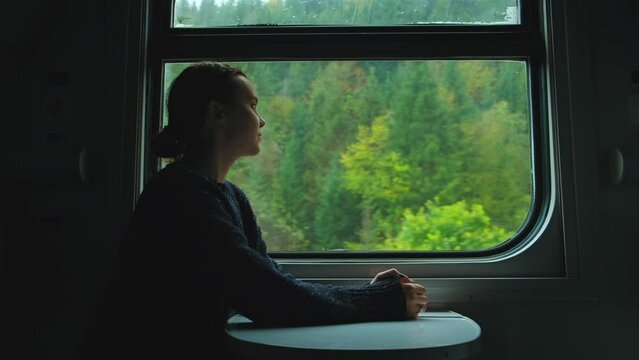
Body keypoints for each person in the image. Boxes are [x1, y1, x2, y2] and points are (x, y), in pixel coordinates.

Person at [75, 62, 427, 359]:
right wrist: (379, 302)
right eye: (253, 105)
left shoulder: (227, 195)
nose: (262, 121)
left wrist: (365, 290)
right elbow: (266, 297)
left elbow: (273, 283)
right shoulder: (181, 196)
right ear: (218, 113)